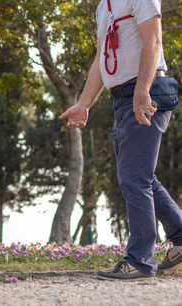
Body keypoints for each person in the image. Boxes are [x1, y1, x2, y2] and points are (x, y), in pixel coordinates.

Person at [59, 0, 182, 281]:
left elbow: (153, 40)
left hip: (145, 93)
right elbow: (101, 60)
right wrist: (84, 104)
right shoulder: (104, 6)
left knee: (134, 178)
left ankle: (140, 260)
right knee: (141, 178)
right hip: (122, 99)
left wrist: (142, 91)